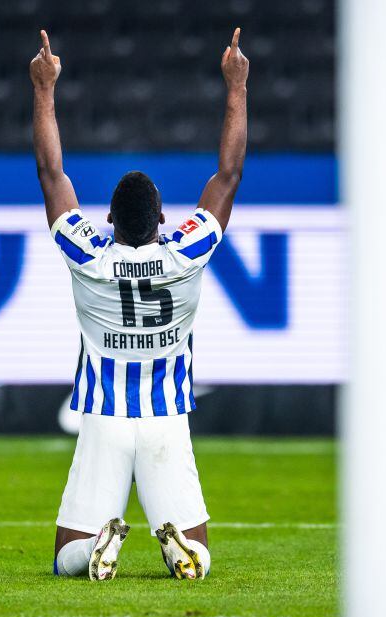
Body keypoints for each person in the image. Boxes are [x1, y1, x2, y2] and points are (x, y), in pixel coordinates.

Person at [28, 27, 249, 581]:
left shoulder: (89, 257)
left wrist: (45, 90)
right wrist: (237, 87)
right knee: (201, 559)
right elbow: (228, 175)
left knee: (64, 560)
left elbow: (51, 175)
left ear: (107, 220)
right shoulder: (186, 253)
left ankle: (99, 543)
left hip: (104, 416)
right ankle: (178, 546)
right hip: (166, 417)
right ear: (160, 220)